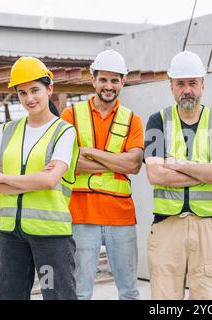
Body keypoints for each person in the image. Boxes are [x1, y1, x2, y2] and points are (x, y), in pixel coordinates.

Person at [0, 57, 79, 300]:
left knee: (57, 296)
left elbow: (49, 181)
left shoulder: (64, 132)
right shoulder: (6, 130)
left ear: (49, 89)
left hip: (50, 237)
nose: (29, 98)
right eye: (22, 93)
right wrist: (28, 181)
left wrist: (4, 178)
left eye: (35, 90)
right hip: (11, 235)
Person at [144, 51, 212, 299]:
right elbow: (155, 175)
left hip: (210, 225)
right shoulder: (157, 121)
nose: (187, 90)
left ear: (202, 85)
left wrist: (177, 164)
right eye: (181, 83)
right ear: (171, 86)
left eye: (193, 83)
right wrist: (207, 170)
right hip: (167, 226)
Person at [60, 49, 143, 300]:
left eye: (114, 80)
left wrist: (89, 152)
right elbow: (69, 164)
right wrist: (117, 162)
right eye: (103, 79)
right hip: (82, 215)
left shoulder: (133, 120)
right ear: (93, 79)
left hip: (121, 216)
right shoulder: (70, 115)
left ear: (123, 82)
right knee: (81, 292)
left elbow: (135, 165)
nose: (109, 86)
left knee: (129, 291)